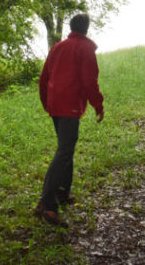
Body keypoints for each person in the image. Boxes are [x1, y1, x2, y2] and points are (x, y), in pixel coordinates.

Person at [35, 13, 104, 226]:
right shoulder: (84, 48)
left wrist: (47, 103)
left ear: (72, 27)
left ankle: (63, 192)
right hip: (69, 105)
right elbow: (89, 81)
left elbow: (44, 78)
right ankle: (47, 204)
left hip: (56, 104)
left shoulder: (58, 47)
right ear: (86, 28)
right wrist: (98, 105)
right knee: (64, 151)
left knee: (66, 148)